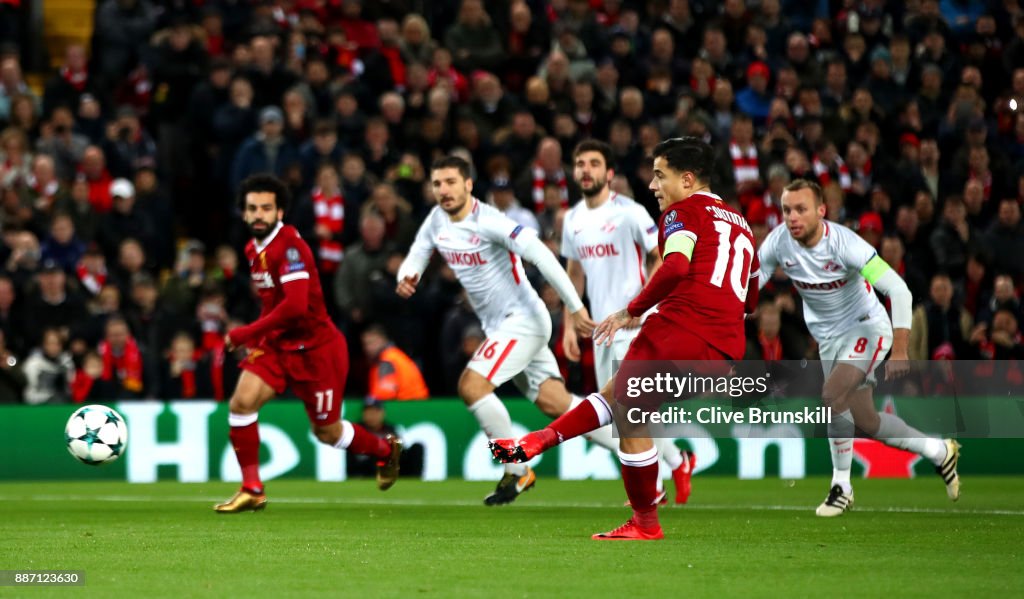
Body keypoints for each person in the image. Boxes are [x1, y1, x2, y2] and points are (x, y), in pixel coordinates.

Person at [492, 137, 760, 540]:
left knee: (625, 412)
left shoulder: (682, 212)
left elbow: (673, 268)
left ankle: (638, 518)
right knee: (624, 407)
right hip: (724, 348)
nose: (653, 185)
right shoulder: (740, 224)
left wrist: (630, 310)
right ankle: (541, 443)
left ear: (686, 180)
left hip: (678, 331)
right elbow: (751, 298)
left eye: (659, 176)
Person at [396, 155, 603, 506]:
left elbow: (542, 255)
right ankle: (646, 448)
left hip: (522, 319)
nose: (443, 190)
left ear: (468, 185)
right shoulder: (435, 220)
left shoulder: (490, 221)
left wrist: (575, 306)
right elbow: (418, 252)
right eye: (437, 184)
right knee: (558, 404)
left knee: (472, 385)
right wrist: (408, 274)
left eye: (450, 182)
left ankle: (518, 469)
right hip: (501, 327)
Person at [756, 179, 960, 517]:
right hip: (828, 338)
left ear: (821, 211)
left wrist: (900, 350)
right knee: (868, 421)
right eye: (787, 210)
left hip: (867, 326)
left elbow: (899, 290)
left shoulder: (846, 244)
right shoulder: (778, 243)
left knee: (832, 393)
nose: (792, 217)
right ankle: (940, 451)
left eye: (801, 209)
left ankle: (842, 487)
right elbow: (751, 283)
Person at [214, 174, 401, 513]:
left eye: (266, 208)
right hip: (277, 346)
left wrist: (247, 332)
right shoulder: (251, 248)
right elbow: (273, 303)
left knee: (327, 433)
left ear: (280, 211)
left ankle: (385, 451)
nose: (259, 214)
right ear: (243, 213)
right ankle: (252, 488)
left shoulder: (291, 247)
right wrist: (261, 336)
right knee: (241, 404)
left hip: (317, 350)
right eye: (252, 208)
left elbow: (296, 306)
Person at [561, 139, 696, 505]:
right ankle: (676, 460)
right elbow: (574, 274)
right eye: (579, 163)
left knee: (626, 409)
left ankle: (652, 489)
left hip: (635, 324)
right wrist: (570, 323)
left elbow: (662, 256)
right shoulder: (572, 219)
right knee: (625, 414)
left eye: (593, 163)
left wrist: (639, 307)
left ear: (608, 173)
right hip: (603, 330)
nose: (585, 170)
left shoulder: (630, 212)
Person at [361, 324, 429, 401]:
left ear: (383, 340)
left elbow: (385, 393)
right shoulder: (394, 355)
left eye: (371, 342)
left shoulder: (387, 360)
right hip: (416, 404)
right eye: (365, 344)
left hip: (408, 406)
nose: (368, 348)